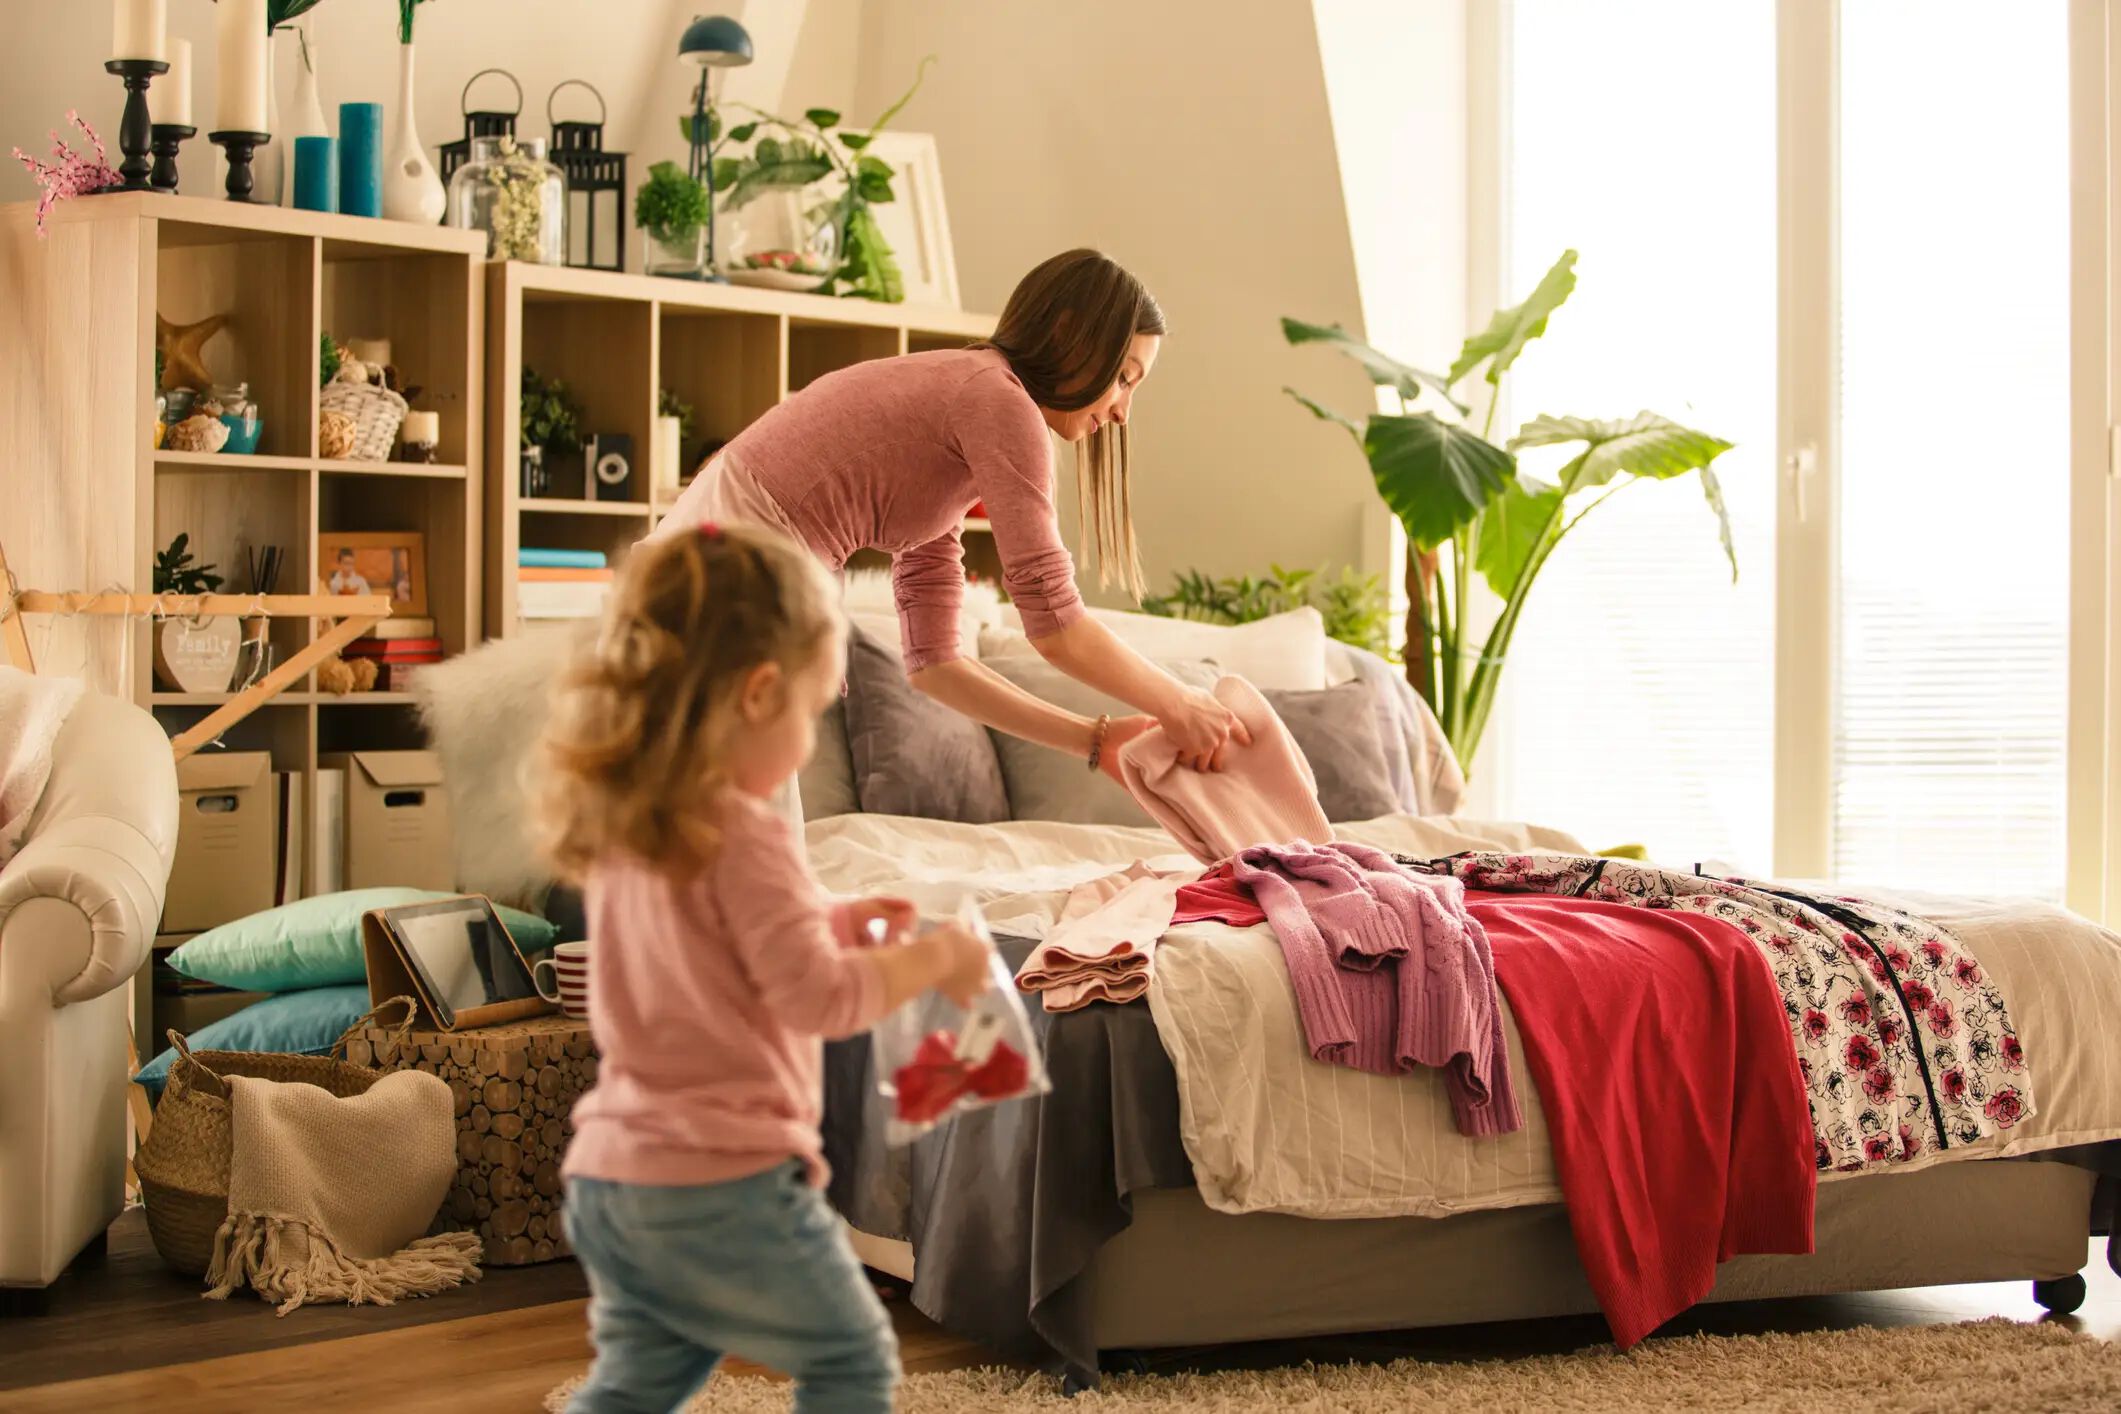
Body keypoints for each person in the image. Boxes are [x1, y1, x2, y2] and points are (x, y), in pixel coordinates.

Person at [533, 522, 992, 1414]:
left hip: (618, 1179)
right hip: (721, 1186)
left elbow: (714, 952)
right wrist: (933, 958)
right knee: (853, 1362)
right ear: (757, 694)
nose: (811, 742)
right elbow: (820, 998)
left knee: (639, 1385)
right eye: (813, 715)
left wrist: (835, 918)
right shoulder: (750, 834)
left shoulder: (640, 829)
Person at [653, 248, 1249, 792]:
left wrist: (1095, 740)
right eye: (1124, 378)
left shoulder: (960, 415)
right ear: (1069, 335)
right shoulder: (998, 401)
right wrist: (1178, 702)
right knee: (738, 849)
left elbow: (935, 664)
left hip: (713, 555)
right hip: (737, 568)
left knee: (709, 839)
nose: (1122, 413)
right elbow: (1055, 622)